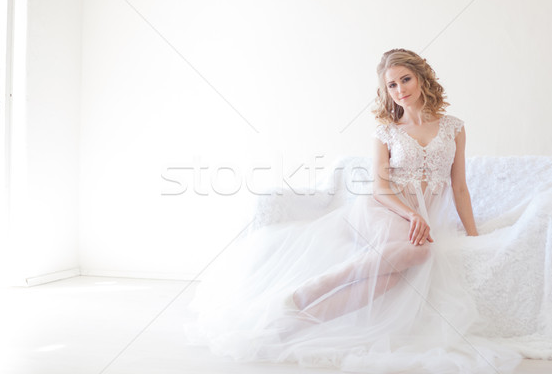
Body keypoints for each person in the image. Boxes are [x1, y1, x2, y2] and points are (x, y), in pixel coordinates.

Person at [186, 49, 525, 373]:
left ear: (422, 78)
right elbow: (380, 187)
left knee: (396, 271)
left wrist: (473, 234)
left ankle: (296, 321)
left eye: (405, 80)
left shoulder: (453, 127)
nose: (399, 90)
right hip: (385, 209)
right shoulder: (388, 131)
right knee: (415, 255)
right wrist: (411, 215)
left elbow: (460, 186)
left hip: (422, 215)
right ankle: (311, 291)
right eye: (391, 85)